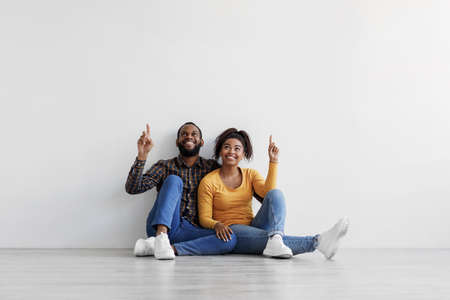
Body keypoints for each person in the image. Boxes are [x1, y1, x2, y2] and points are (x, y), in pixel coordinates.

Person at [198, 128, 349, 259]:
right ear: (220, 151)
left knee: (276, 194)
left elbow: (268, 194)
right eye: (227, 147)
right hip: (230, 231)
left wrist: (273, 162)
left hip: (254, 225)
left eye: (237, 148)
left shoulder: (250, 174)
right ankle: (319, 242)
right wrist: (217, 224)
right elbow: (204, 218)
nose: (231, 151)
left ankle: (277, 236)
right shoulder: (209, 181)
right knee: (267, 239)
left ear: (243, 154)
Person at [125, 122, 237, 260]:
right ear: (177, 142)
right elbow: (132, 188)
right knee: (174, 180)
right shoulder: (164, 166)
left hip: (190, 230)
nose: (189, 136)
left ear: (201, 142)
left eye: (194, 134)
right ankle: (161, 236)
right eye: (184, 134)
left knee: (229, 239)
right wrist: (142, 155)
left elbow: (231, 184)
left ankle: (167, 248)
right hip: (160, 225)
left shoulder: (212, 168)